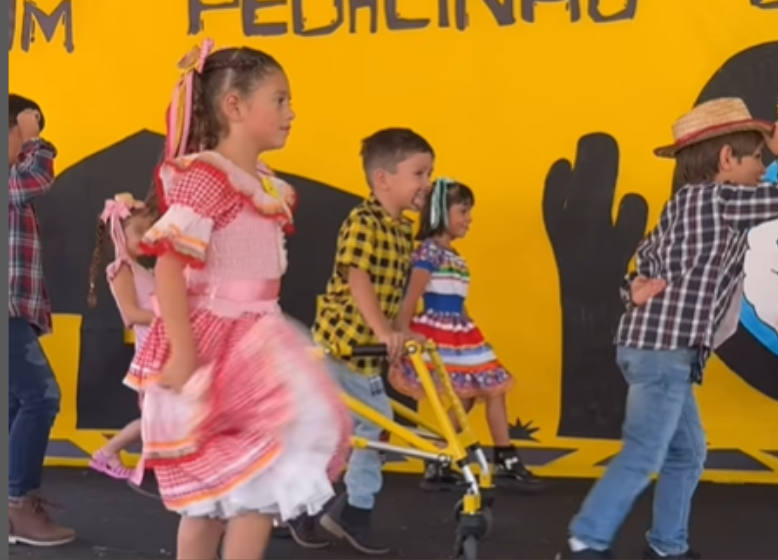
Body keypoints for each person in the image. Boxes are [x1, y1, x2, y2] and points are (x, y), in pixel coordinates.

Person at [127, 39, 352, 560]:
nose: (291, 112)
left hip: (259, 339)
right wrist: (183, 352)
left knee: (241, 491)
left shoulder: (265, 185)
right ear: (234, 106)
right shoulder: (206, 178)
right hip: (217, 345)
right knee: (237, 495)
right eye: (279, 99)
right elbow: (170, 265)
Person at [560, 97, 778, 560]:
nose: (762, 170)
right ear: (728, 160)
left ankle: (668, 547)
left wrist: (633, 291)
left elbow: (645, 260)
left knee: (686, 453)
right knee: (647, 451)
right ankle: (586, 540)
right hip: (664, 352)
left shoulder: (681, 204)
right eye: (758, 160)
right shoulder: (720, 199)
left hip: (658, 349)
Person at [312, 128, 434, 555]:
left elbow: (398, 289)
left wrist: (400, 328)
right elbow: (357, 277)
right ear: (383, 179)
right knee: (362, 425)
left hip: (366, 353)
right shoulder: (363, 221)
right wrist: (384, 331)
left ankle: (321, 510)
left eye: (429, 173)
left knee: (363, 426)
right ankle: (342, 511)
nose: (427, 183)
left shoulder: (403, 231)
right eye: (419, 173)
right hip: (341, 344)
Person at [389, 178, 546, 492]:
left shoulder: (452, 255)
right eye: (463, 211)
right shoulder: (430, 252)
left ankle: (440, 456)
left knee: (475, 393)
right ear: (440, 213)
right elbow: (412, 295)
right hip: (439, 331)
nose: (468, 219)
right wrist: (403, 331)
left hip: (461, 330)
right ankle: (504, 457)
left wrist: (474, 332)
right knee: (488, 389)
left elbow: (458, 300)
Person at [8, 94, 76, 547]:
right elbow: (33, 179)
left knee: (17, 404)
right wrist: (33, 134)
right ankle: (17, 505)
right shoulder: (16, 173)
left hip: (18, 308)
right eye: (31, 121)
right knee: (40, 397)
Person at [86, 193, 157, 483]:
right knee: (156, 416)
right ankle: (107, 452)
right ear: (119, 232)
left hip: (165, 347)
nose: (147, 237)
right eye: (140, 231)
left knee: (162, 415)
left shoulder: (145, 270)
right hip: (152, 353)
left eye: (150, 230)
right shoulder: (121, 270)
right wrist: (174, 317)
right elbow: (131, 314)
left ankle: (111, 453)